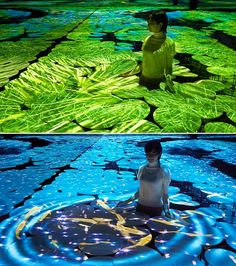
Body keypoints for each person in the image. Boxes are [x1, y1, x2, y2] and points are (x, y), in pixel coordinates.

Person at [117, 140, 171, 218]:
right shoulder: (142, 168)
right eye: (148, 154)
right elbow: (140, 192)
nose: (150, 157)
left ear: (159, 154)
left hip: (156, 209)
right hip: (140, 207)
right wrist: (126, 201)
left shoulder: (164, 171)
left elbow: (165, 195)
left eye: (153, 154)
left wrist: (167, 210)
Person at [139, 10, 176, 90]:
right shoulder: (147, 39)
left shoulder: (169, 43)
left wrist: (169, 80)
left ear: (160, 24)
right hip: (142, 79)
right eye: (148, 23)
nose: (148, 26)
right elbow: (145, 60)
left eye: (151, 24)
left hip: (157, 82)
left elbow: (169, 66)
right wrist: (132, 72)